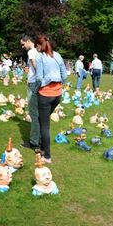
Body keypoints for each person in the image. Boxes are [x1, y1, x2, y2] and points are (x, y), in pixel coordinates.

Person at [35, 35, 67, 164]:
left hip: (45, 94)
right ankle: (42, 146)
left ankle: (47, 155)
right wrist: (59, 84)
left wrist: (38, 87)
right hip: (57, 95)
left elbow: (38, 77)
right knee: (43, 120)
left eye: (37, 46)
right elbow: (64, 74)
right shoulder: (57, 55)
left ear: (39, 46)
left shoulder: (40, 57)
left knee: (45, 125)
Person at [20, 35, 41, 150]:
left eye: (23, 44)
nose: (23, 47)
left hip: (34, 84)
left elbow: (36, 66)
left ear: (28, 41)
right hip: (38, 84)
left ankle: (34, 142)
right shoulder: (39, 52)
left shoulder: (32, 52)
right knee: (40, 114)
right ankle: (41, 139)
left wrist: (39, 79)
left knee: (34, 114)